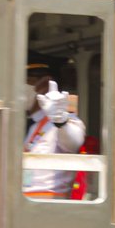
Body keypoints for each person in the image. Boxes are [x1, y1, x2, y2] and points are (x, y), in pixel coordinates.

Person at [24, 64, 85, 199]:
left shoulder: (67, 120)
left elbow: (73, 143)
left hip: (50, 202)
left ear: (45, 84)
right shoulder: (33, 125)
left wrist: (60, 121)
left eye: (27, 81)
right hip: (25, 200)